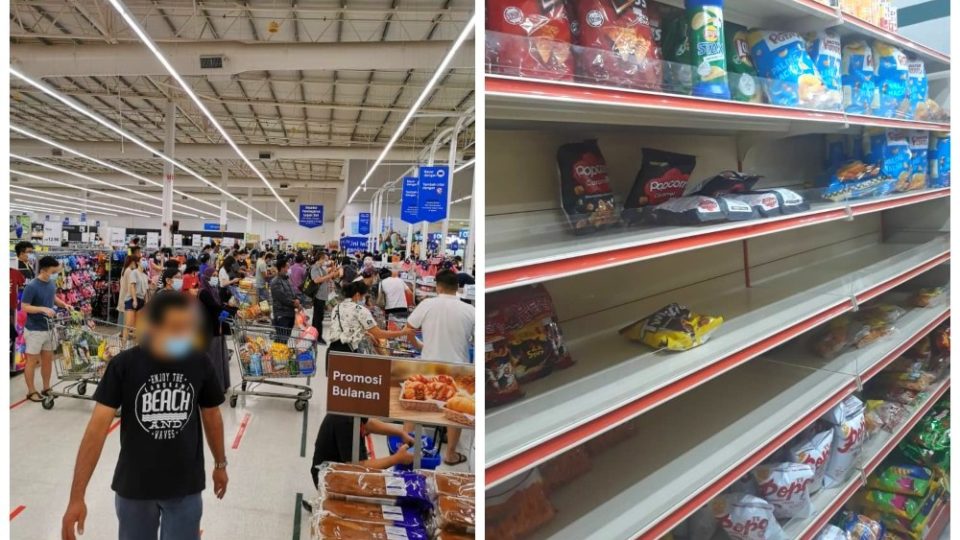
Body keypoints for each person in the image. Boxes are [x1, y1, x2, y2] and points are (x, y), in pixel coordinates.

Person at [61, 293, 227, 540]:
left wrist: (220, 464)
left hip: (185, 486)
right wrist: (77, 497)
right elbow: (96, 431)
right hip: (134, 487)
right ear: (154, 327)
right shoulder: (123, 365)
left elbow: (212, 416)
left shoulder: (199, 362)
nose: (184, 336)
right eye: (175, 328)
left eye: (187, 328)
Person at [403, 269, 475, 465]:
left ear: (438, 286)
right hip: (458, 368)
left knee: (416, 406)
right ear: (457, 288)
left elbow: (408, 328)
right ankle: (450, 454)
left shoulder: (427, 304)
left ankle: (405, 445)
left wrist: (417, 344)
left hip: (429, 364)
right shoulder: (470, 310)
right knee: (456, 413)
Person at [20, 256, 74, 402]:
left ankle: (46, 387)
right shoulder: (32, 286)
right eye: (54, 270)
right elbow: (24, 307)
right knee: (31, 361)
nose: (56, 272)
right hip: (34, 330)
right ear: (45, 269)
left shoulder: (50, 283)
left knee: (47, 360)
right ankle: (31, 391)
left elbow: (53, 297)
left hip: (49, 329)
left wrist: (64, 304)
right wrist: (42, 309)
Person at [327, 280, 411, 356]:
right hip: (349, 352)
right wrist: (401, 332)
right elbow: (378, 333)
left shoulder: (337, 307)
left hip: (333, 350)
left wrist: (365, 333)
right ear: (357, 295)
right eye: (363, 296)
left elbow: (347, 325)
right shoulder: (360, 310)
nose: (363, 299)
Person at [198, 267, 231, 391]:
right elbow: (215, 308)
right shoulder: (204, 292)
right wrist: (231, 312)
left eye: (217, 275)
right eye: (214, 275)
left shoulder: (213, 290)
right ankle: (214, 387)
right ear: (206, 277)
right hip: (210, 330)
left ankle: (222, 385)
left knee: (220, 357)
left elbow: (219, 306)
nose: (216, 278)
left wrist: (227, 311)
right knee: (214, 359)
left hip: (218, 327)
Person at [120, 248, 149, 346]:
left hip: (141, 300)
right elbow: (132, 286)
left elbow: (146, 291)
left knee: (138, 326)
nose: (144, 262)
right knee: (128, 325)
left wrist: (146, 303)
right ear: (138, 263)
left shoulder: (145, 276)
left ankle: (136, 346)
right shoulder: (134, 272)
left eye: (145, 261)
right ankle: (123, 345)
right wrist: (135, 300)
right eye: (142, 261)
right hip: (132, 299)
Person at [270, 256, 299, 343]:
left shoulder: (286, 279)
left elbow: (292, 292)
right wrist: (294, 303)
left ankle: (281, 354)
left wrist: (297, 299)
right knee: (281, 339)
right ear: (282, 268)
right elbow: (283, 298)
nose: (288, 269)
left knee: (285, 337)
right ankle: (278, 356)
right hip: (282, 315)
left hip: (290, 313)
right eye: (287, 267)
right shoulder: (275, 282)